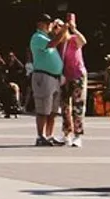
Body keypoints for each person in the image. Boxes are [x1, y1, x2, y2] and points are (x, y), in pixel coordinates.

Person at [29, 14, 64, 146]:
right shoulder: (37, 37)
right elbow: (53, 43)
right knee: (43, 109)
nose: (50, 25)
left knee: (53, 110)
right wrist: (64, 29)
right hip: (43, 76)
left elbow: (54, 40)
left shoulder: (46, 37)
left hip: (54, 77)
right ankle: (40, 135)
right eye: (48, 23)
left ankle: (49, 135)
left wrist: (58, 31)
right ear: (41, 24)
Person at [57, 15, 87, 147]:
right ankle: (66, 133)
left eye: (59, 26)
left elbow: (83, 41)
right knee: (64, 106)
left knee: (78, 106)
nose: (57, 30)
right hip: (65, 76)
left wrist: (74, 30)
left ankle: (78, 135)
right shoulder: (58, 44)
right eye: (55, 28)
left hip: (77, 75)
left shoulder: (73, 39)